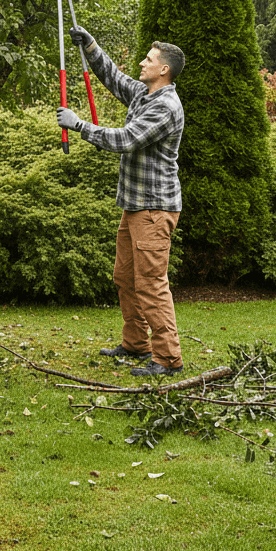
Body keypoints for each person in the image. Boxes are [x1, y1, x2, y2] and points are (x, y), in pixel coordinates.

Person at [57, 29, 186, 377]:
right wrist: (91, 45)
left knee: (150, 283)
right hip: (135, 206)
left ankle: (168, 359)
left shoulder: (166, 107)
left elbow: (126, 140)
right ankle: (136, 344)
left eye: (149, 59)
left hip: (154, 209)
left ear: (164, 71)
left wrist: (79, 125)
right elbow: (113, 78)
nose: (143, 62)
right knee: (126, 277)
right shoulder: (145, 94)